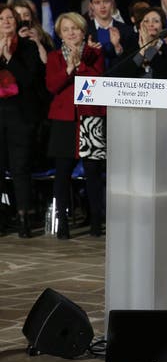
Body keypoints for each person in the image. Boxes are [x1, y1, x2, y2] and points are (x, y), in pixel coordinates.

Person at [46, 12, 106, 239]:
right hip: (64, 121)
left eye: (75, 28)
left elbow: (97, 80)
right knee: (62, 173)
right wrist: (68, 68)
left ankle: (95, 222)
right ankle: (62, 223)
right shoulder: (54, 58)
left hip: (90, 118)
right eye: (66, 29)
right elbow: (52, 86)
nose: (71, 33)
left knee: (93, 171)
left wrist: (80, 64)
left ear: (83, 32)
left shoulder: (95, 53)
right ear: (60, 35)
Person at [0, 4, 46, 237]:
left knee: (20, 169)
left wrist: (9, 58)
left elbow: (28, 80)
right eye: (2, 18)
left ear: (17, 22)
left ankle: (24, 218)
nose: (6, 21)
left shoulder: (27, 47)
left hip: (21, 116)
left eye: (11, 17)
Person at [108, 7, 167, 82]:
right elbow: (121, 75)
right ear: (140, 27)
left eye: (156, 21)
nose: (151, 24)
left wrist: (148, 48)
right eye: (146, 21)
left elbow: (166, 75)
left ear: (162, 28)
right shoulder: (130, 48)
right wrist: (142, 51)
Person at [86, 0, 135, 68]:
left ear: (112, 3)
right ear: (91, 6)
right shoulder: (84, 31)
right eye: (97, 2)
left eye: (106, 1)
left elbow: (132, 63)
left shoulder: (127, 31)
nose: (102, 6)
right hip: (93, 79)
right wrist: (88, 52)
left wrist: (117, 47)